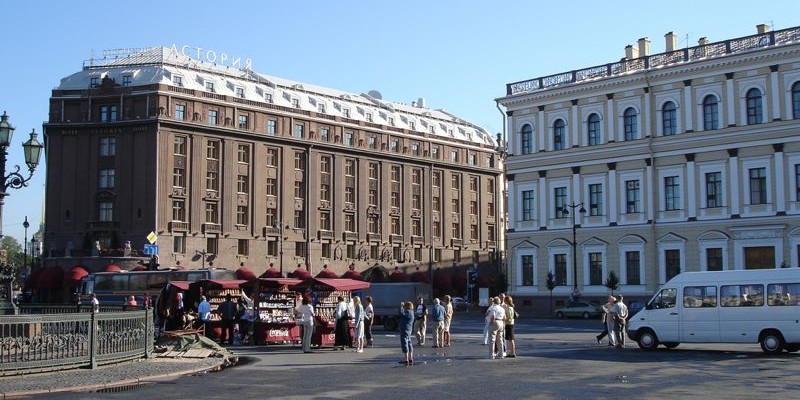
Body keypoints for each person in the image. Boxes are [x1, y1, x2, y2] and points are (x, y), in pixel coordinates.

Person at [399, 301, 415, 365]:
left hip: (404, 329)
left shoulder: (407, 312)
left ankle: (406, 359)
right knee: (409, 343)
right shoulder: (412, 312)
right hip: (409, 329)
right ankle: (410, 358)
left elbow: (401, 314)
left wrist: (401, 307)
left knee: (404, 343)